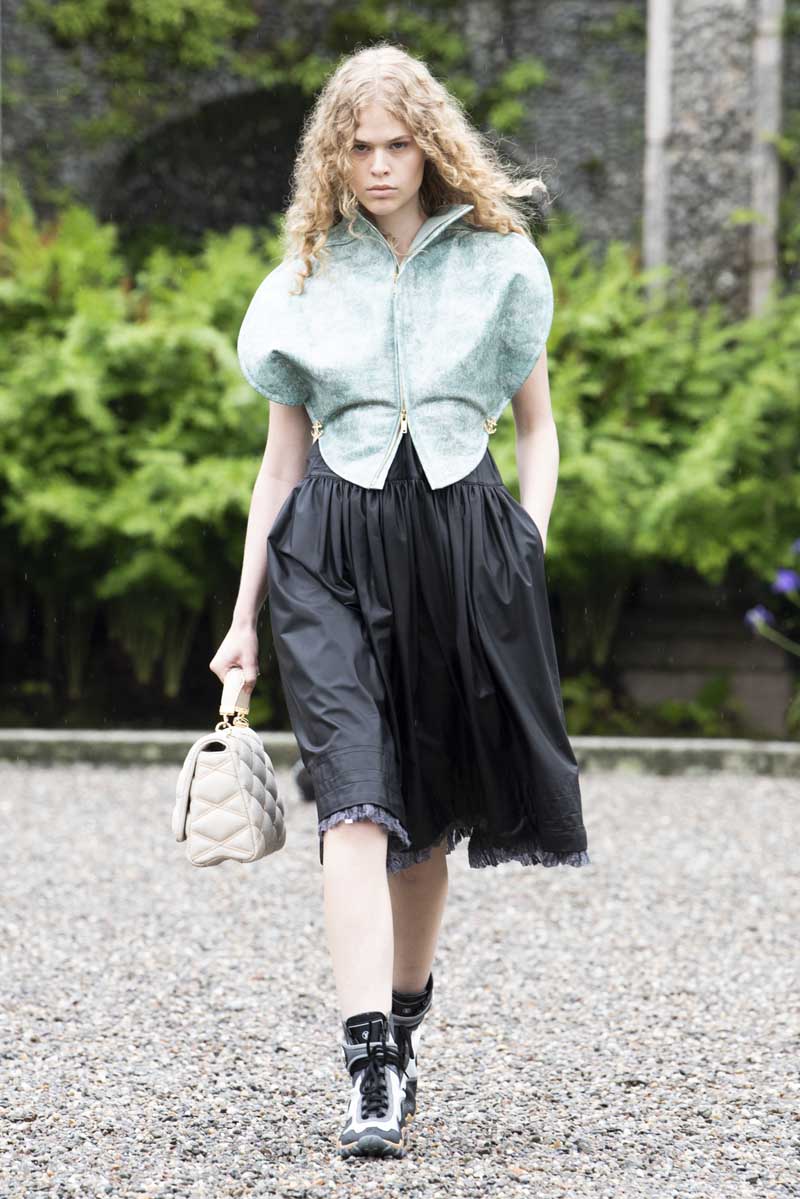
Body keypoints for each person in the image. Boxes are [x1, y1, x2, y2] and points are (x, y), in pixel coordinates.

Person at [209, 41, 590, 1159]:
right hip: (329, 548)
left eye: (396, 144)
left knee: (425, 812)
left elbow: (538, 427)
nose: (378, 165)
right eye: (358, 147)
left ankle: (407, 1018)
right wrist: (241, 620)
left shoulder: (500, 264)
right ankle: (369, 1060)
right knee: (356, 801)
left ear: (430, 147)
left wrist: (525, 541)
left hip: (461, 545)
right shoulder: (303, 277)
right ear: (332, 156)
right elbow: (280, 466)